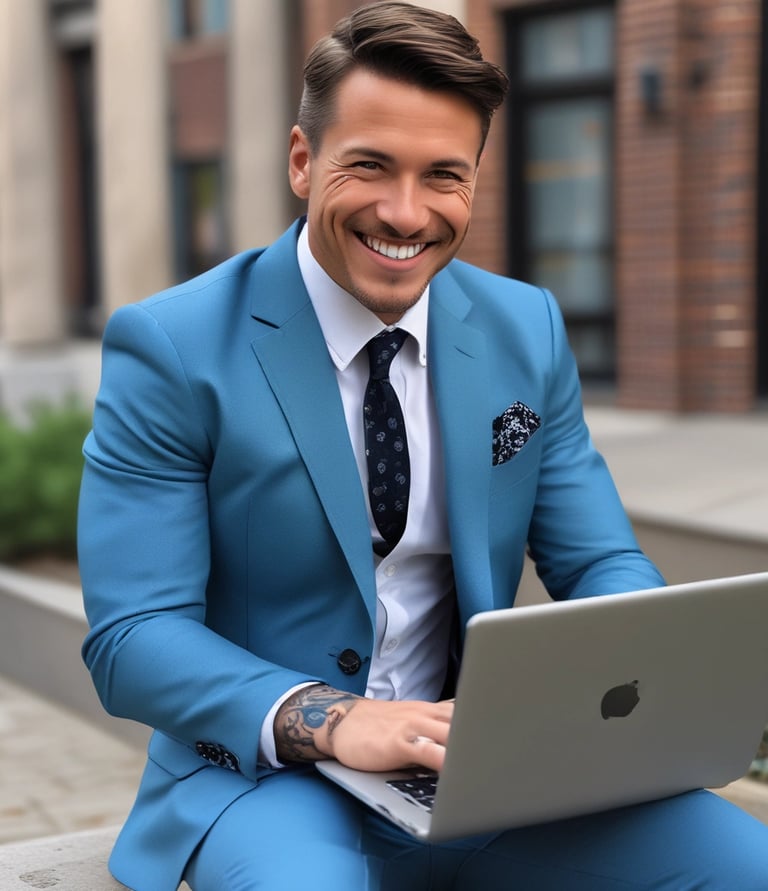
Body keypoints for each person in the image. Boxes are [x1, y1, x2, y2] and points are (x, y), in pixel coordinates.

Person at [78, 3, 768, 889]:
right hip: (266, 779)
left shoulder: (528, 328)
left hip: (485, 771)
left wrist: (619, 683)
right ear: (302, 160)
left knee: (745, 865)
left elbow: (602, 562)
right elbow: (133, 635)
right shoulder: (172, 346)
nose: (405, 214)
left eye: (443, 175)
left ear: (475, 180)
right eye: (369, 166)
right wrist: (329, 718)